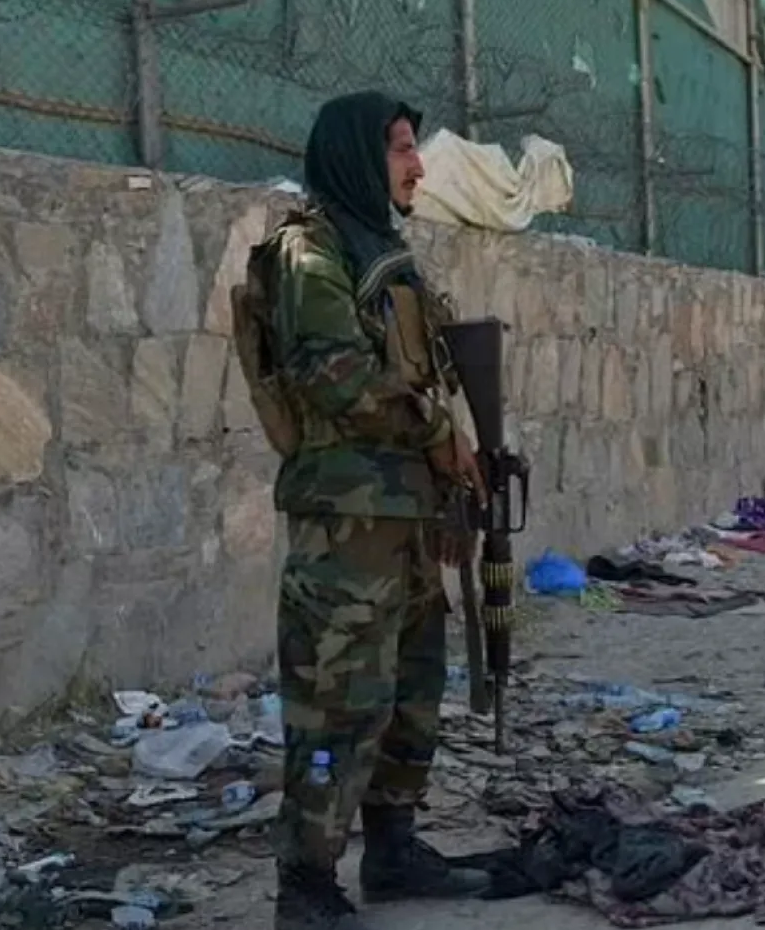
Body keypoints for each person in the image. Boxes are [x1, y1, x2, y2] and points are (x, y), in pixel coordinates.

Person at [260, 91, 490, 930]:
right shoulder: (307, 253)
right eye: (401, 149)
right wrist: (438, 434)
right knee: (336, 704)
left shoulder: (383, 253)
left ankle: (393, 848)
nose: (418, 165)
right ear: (359, 155)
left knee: (411, 690)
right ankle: (307, 880)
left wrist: (461, 463)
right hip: (346, 524)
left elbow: (421, 375)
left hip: (407, 521)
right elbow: (337, 377)